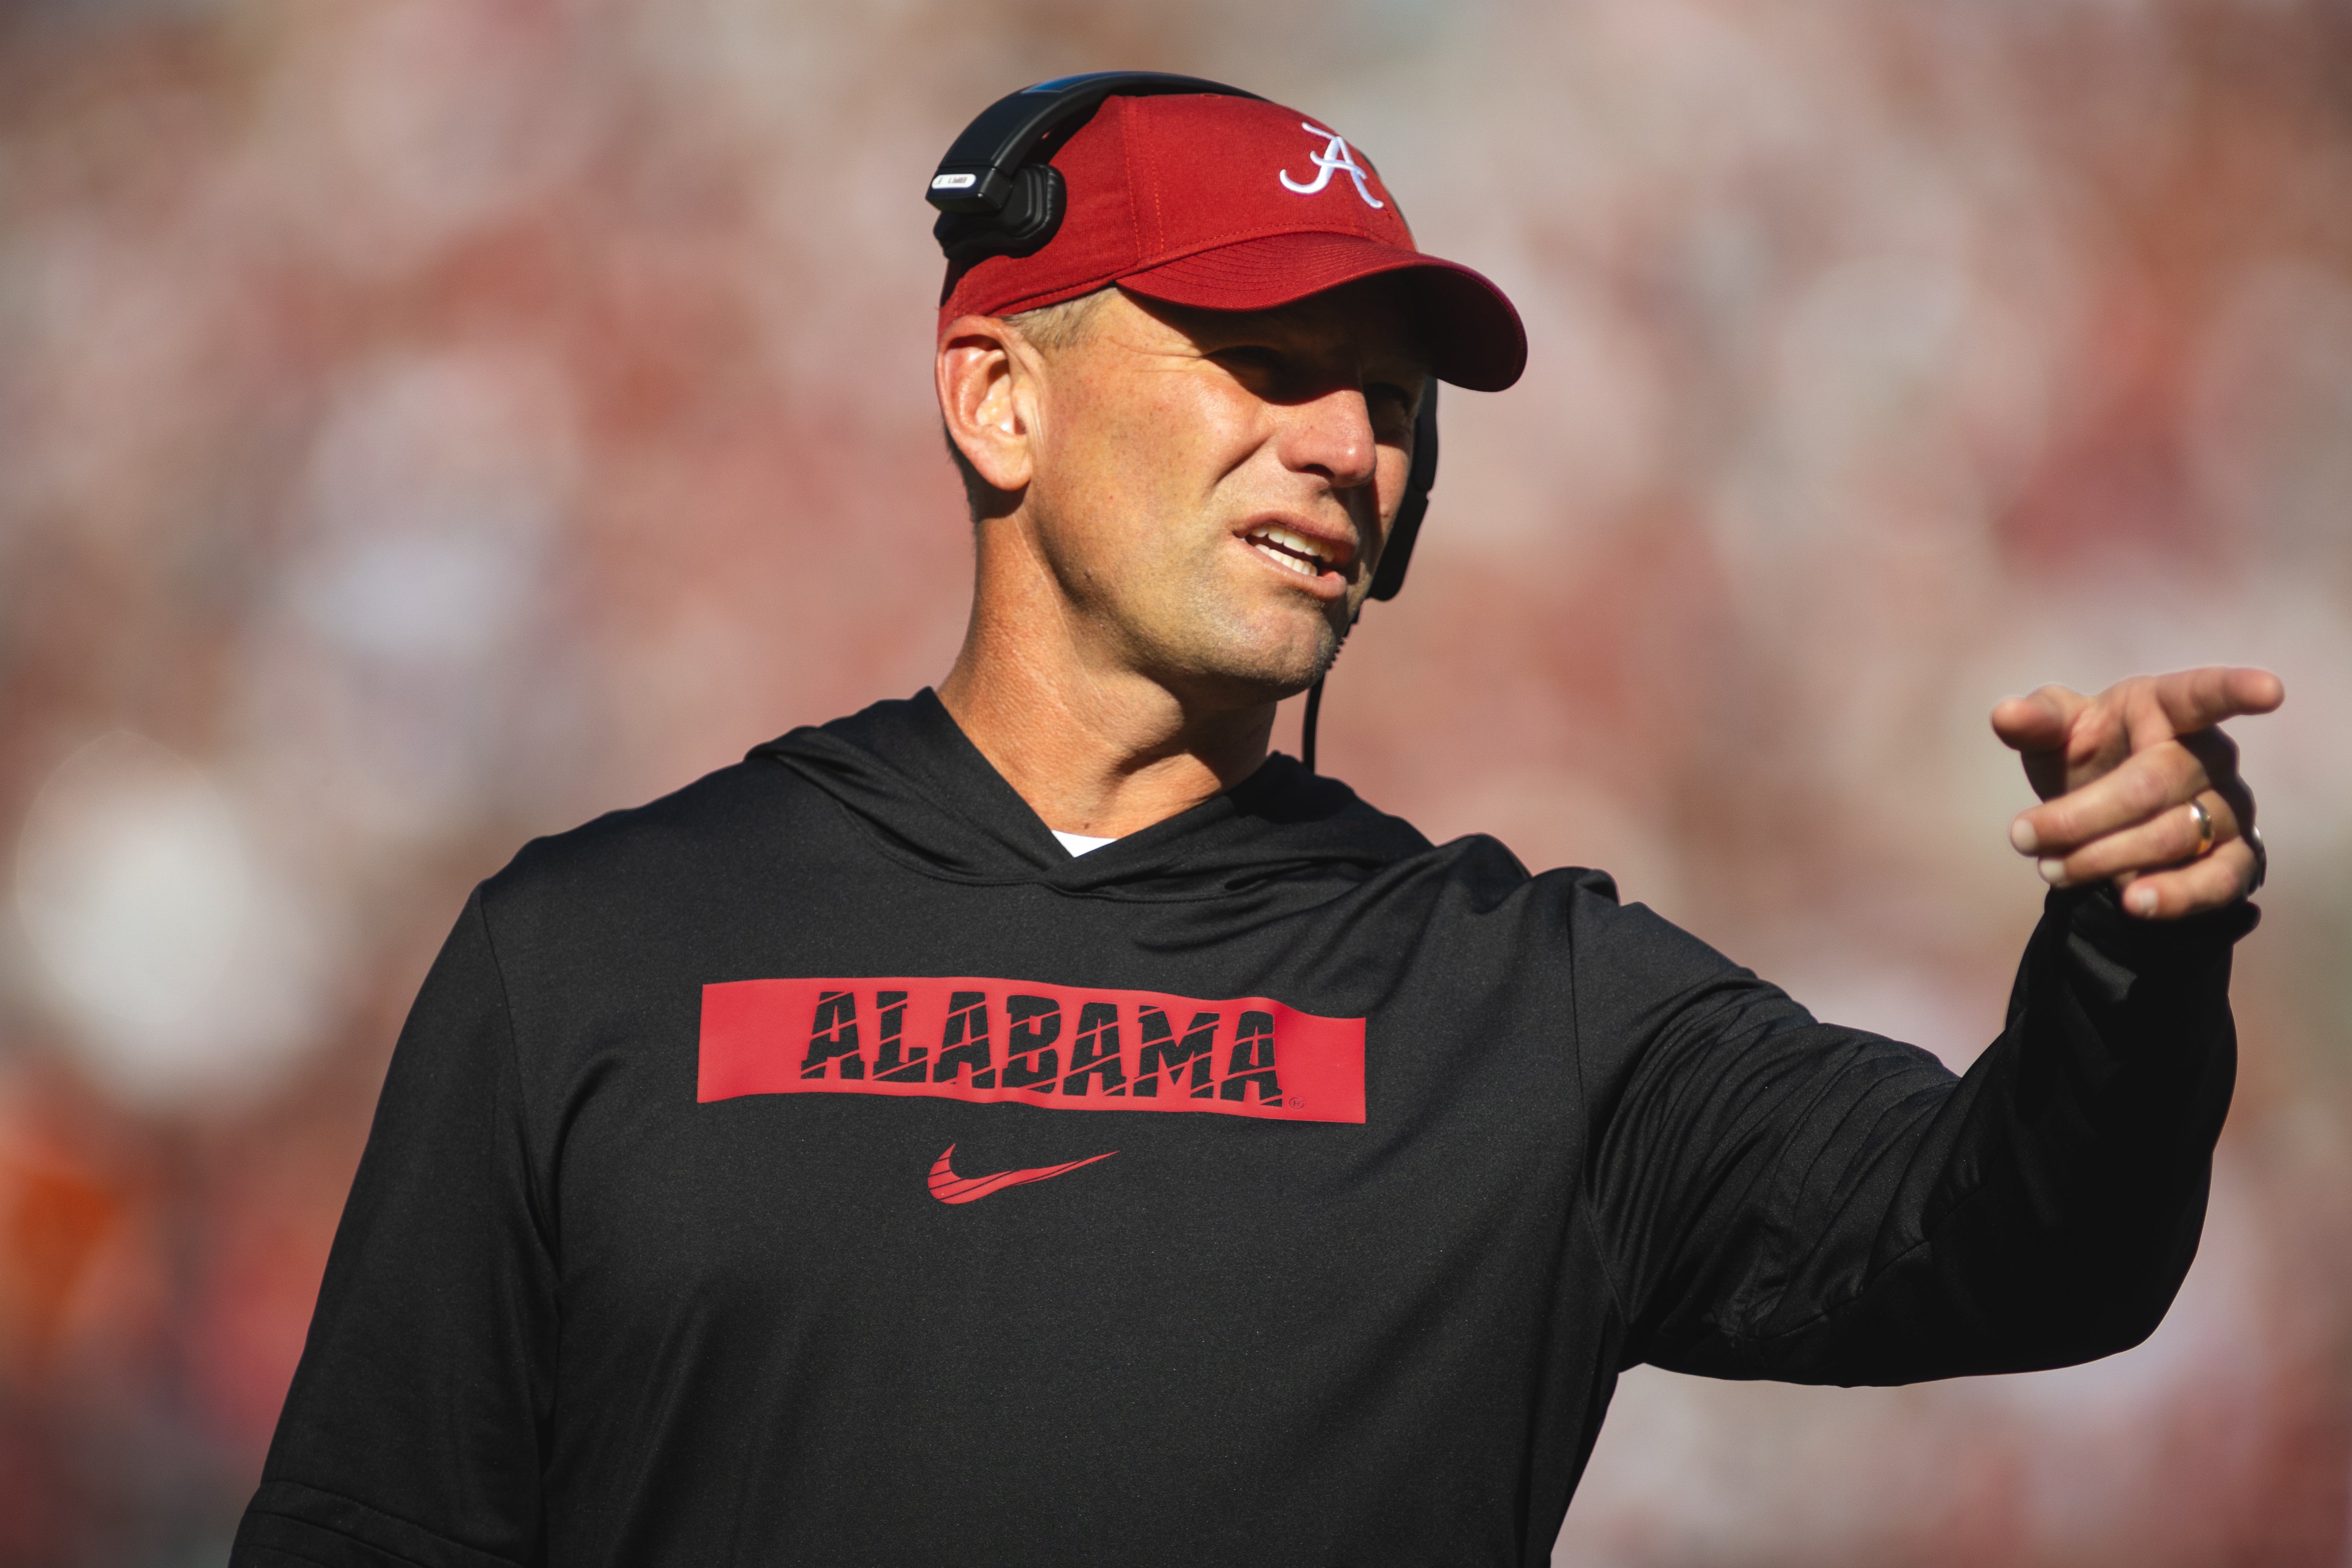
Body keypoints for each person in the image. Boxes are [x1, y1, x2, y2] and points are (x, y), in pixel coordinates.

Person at [231, 82, 2282, 1568]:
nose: (1347, 447)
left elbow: (2029, 1249)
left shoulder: (1535, 1012)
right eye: (1264, 361)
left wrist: (2135, 948)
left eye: (1388, 402)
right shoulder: (595, 953)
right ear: (999, 398)